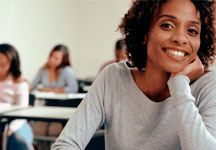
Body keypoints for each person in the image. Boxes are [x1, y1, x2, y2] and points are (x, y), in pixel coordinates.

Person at [52, 0, 216, 149]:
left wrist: (179, 83)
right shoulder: (113, 78)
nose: (181, 39)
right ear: (145, 33)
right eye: (167, 25)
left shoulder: (208, 85)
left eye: (193, 31)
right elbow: (66, 144)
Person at [0, 44, 34, 150]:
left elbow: (22, 115)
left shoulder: (19, 84)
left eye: (3, 65)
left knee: (16, 139)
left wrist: (10, 129)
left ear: (12, 64)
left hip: (16, 123)